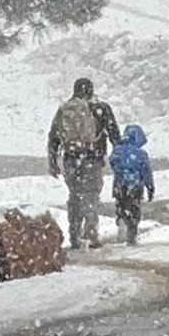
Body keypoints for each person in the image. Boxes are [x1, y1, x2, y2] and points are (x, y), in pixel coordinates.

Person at [47, 78, 121, 249]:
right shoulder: (101, 108)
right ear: (91, 90)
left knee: (74, 195)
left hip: (71, 160)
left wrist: (53, 161)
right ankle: (91, 235)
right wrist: (118, 153)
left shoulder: (65, 109)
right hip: (93, 159)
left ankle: (74, 234)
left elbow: (53, 137)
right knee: (91, 195)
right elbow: (114, 133)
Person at [109, 123, 155, 245]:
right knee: (134, 209)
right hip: (135, 185)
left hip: (119, 184)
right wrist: (150, 187)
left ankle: (121, 221)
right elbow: (146, 172)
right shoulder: (140, 154)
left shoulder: (117, 151)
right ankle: (131, 234)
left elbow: (112, 163)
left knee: (121, 205)